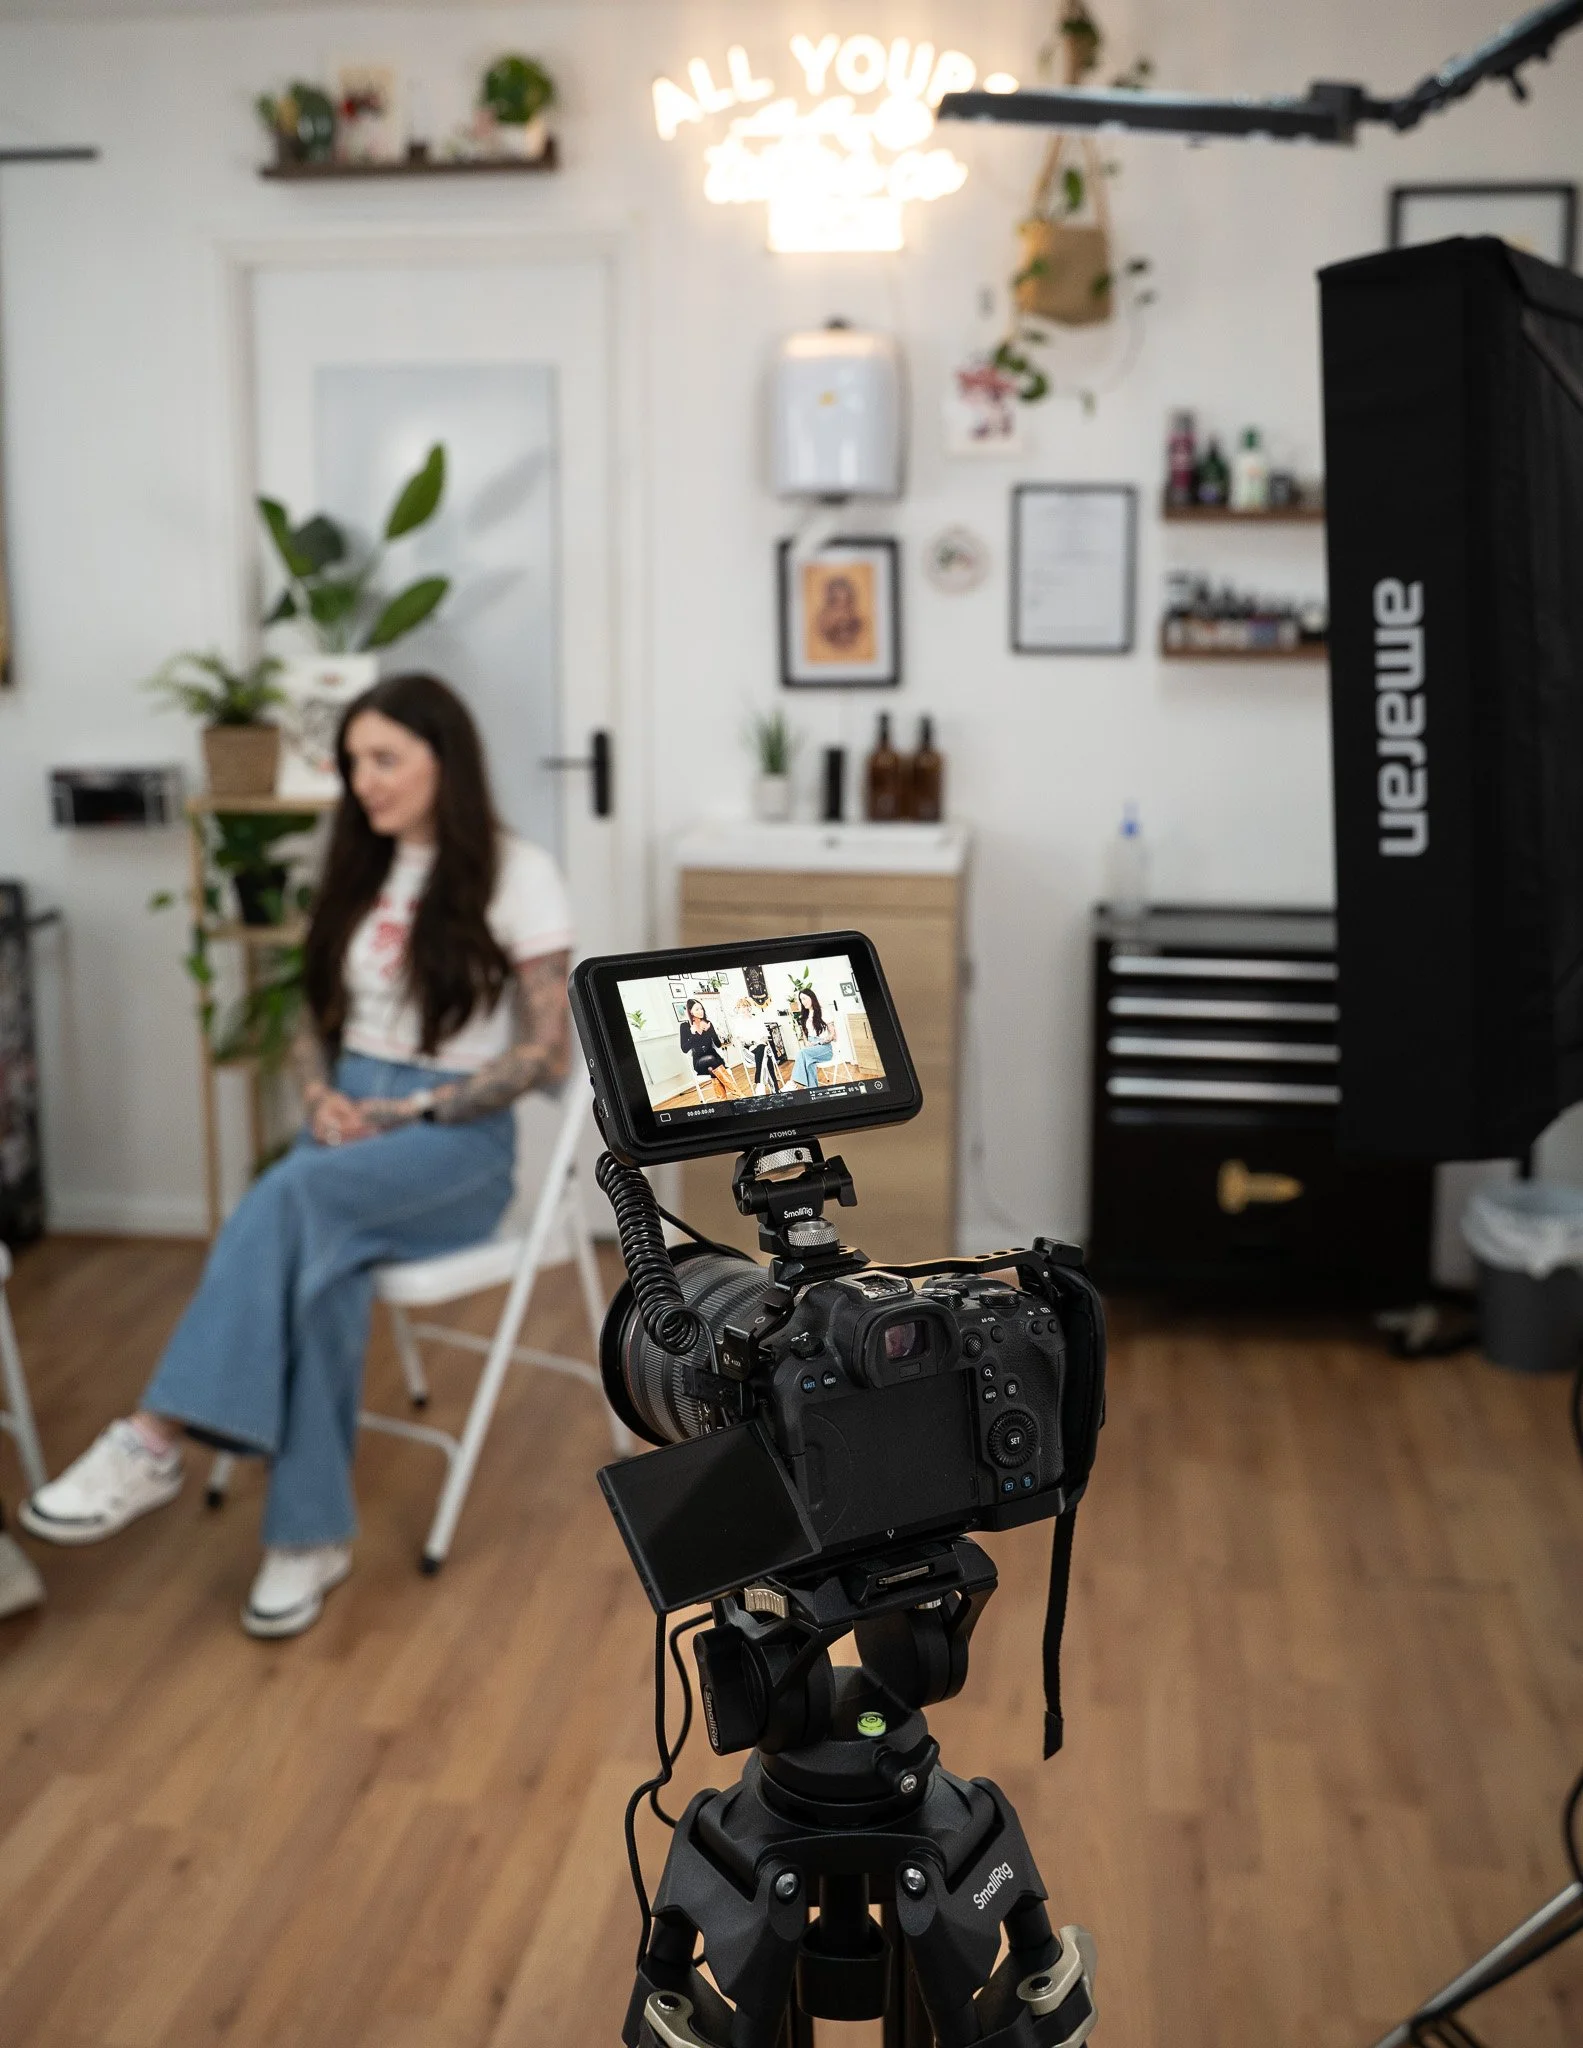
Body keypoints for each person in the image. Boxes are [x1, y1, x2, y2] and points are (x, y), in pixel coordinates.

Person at [21, 673, 574, 1639]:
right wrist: (322, 1095)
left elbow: (544, 1055)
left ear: (445, 759)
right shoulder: (355, 871)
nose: (363, 781)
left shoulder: (519, 874)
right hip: (350, 1124)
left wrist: (412, 1112)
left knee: (292, 1201)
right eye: (354, 761)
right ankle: (307, 1536)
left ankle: (153, 1439)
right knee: (320, 1259)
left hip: (456, 1146)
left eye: (384, 759)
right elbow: (316, 1017)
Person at [679, 998, 737, 1099]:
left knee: (711, 1068)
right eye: (697, 1009)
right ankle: (738, 1093)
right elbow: (684, 1049)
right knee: (711, 1060)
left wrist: (710, 1031)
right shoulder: (684, 1026)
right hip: (699, 1063)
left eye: (701, 1009)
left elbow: (718, 1045)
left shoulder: (708, 1023)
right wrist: (693, 1034)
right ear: (690, 1011)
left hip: (715, 1061)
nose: (701, 1011)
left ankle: (723, 1101)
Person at [786, 988, 835, 1089]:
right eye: (801, 1000)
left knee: (802, 1053)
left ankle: (793, 1082)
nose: (803, 1002)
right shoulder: (805, 1015)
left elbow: (833, 1034)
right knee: (808, 1060)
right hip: (811, 1048)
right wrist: (807, 1042)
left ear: (812, 997)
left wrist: (825, 1040)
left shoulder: (823, 1012)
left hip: (824, 1048)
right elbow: (805, 1035)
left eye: (804, 998)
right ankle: (812, 1090)